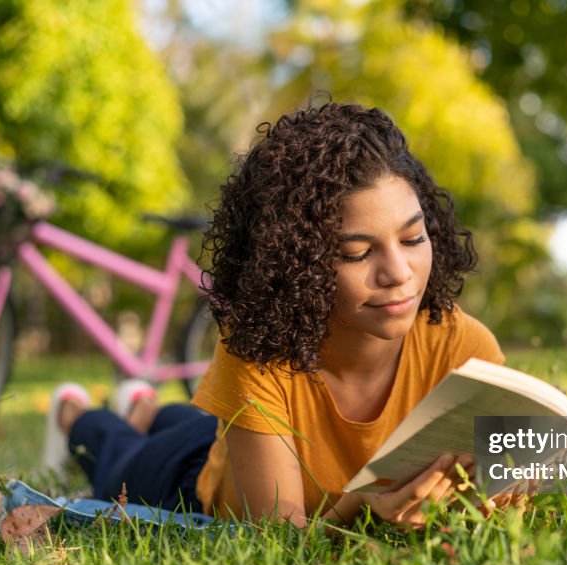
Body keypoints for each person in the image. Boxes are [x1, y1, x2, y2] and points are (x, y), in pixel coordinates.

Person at [43, 101, 508, 529]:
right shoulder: (259, 349)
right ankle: (74, 412)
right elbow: (280, 536)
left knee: (199, 422)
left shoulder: (463, 348)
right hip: (194, 474)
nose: (398, 273)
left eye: (412, 240)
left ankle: (145, 406)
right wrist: (361, 509)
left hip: (246, 432)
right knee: (117, 458)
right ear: (297, 261)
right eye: (357, 252)